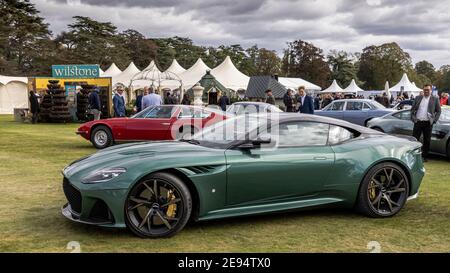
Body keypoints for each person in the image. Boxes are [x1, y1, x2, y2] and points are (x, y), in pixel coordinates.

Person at [411, 84, 441, 162]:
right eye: (425, 90)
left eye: (428, 89)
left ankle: (424, 157)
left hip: (428, 123)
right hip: (418, 122)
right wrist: (414, 119)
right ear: (423, 90)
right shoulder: (418, 98)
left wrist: (434, 120)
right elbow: (412, 110)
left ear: (431, 90)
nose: (426, 91)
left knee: (427, 140)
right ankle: (413, 156)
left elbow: (439, 111)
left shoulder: (435, 99)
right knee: (414, 139)